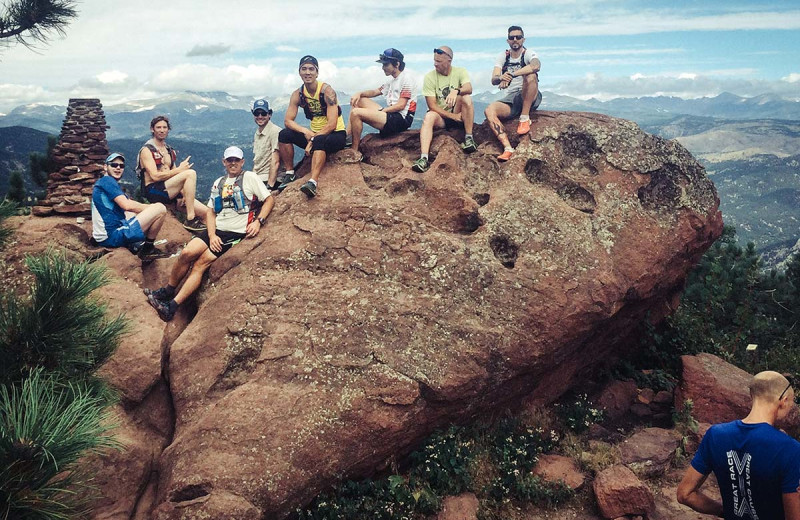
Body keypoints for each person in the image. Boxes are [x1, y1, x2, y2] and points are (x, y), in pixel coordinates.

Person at [144, 146, 274, 322]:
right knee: (186, 253)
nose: (233, 163)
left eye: (237, 160)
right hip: (217, 229)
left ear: (243, 162)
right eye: (230, 160)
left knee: (200, 263)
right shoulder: (219, 182)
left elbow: (269, 199)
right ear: (224, 162)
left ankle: (171, 307)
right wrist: (212, 236)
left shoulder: (250, 178)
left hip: (235, 233)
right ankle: (167, 290)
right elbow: (211, 212)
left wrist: (259, 221)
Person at [677, 371, 800, 520]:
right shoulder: (790, 449)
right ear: (784, 401)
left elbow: (685, 494)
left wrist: (724, 511)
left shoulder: (715, 435)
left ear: (752, 396)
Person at [278, 55, 346, 198]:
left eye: (311, 69)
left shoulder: (327, 91)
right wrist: (305, 131)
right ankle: (290, 173)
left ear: (317, 72)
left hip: (336, 134)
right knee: (284, 134)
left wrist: (313, 140)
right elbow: (288, 121)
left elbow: (332, 124)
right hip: (313, 134)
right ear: (299, 72)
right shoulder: (298, 94)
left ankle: (312, 182)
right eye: (304, 69)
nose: (307, 72)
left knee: (320, 140)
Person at [137, 115, 209, 231]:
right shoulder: (147, 150)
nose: (162, 130)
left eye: (164, 127)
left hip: (170, 191)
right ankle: (190, 219)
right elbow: (155, 176)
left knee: (206, 212)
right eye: (158, 127)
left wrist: (185, 194)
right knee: (190, 173)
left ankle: (202, 241)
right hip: (154, 190)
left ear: (168, 129)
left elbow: (176, 176)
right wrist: (180, 170)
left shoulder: (169, 150)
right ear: (152, 129)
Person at [411, 46, 476, 173]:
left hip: (458, 111)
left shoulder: (460, 72)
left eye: (439, 62)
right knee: (429, 116)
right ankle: (424, 158)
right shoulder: (430, 77)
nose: (435, 64)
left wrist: (456, 91)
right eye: (435, 61)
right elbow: (432, 106)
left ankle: (469, 138)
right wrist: (453, 117)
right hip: (442, 117)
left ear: (449, 61)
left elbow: (469, 88)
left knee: (466, 98)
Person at [91, 153, 167, 259]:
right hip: (112, 236)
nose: (118, 168)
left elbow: (128, 207)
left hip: (104, 236)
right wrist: (153, 208)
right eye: (114, 165)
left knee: (131, 213)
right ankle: (148, 249)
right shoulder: (107, 181)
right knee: (160, 208)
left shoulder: (103, 183)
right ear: (105, 167)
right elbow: (127, 205)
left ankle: (135, 243)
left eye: (121, 166)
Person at [484, 25, 542, 162]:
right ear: (508, 40)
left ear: (523, 39)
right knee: (489, 110)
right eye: (512, 37)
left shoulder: (528, 54)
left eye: (518, 37)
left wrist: (512, 74)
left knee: (531, 76)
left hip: (529, 94)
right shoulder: (503, 56)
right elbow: (494, 79)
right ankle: (508, 148)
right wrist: (501, 78)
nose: (515, 39)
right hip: (512, 98)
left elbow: (536, 66)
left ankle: (524, 118)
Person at [346, 48, 416, 157]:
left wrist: (384, 111)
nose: (383, 68)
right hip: (391, 115)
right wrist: (359, 93)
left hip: (401, 119)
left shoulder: (406, 79)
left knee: (356, 113)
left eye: (386, 65)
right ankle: (348, 138)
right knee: (358, 101)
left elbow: (401, 105)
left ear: (396, 64)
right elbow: (375, 91)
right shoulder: (392, 81)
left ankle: (354, 151)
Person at [251, 98, 281, 190]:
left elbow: (275, 161)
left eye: (263, 113)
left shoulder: (275, 131)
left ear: (270, 114)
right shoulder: (257, 133)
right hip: (258, 176)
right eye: (257, 113)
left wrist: (270, 186)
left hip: (266, 177)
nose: (260, 116)